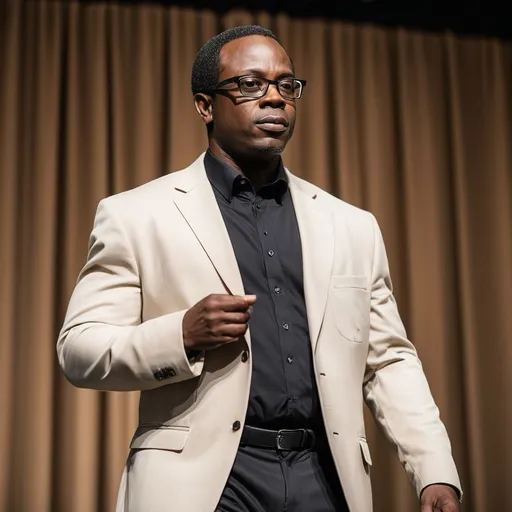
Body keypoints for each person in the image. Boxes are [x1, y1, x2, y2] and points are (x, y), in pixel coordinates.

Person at [57, 25, 462, 512]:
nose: (274, 99)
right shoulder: (137, 214)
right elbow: (79, 349)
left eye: (286, 85)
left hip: (324, 478)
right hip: (208, 483)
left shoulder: (351, 225)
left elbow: (388, 360)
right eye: (250, 84)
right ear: (205, 106)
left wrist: (434, 469)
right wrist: (181, 334)